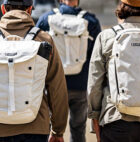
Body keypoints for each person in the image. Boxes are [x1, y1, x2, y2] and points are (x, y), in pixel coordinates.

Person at [0, 0, 68, 142]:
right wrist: (58, 130)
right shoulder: (43, 39)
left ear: (3, 9)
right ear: (30, 9)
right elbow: (57, 88)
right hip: (35, 126)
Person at [36, 0, 101, 142]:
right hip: (80, 84)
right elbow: (96, 57)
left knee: (48, 128)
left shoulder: (45, 19)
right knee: (78, 128)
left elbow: (36, 53)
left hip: (53, 86)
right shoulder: (91, 21)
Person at [88, 0, 140, 142]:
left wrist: (95, 118)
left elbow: (95, 83)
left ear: (122, 7)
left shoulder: (107, 36)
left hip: (116, 118)